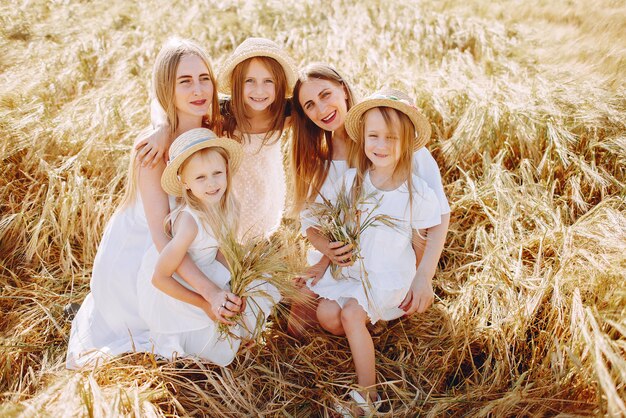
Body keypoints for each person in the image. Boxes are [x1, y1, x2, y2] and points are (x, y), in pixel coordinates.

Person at [66, 38, 237, 369]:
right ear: (166, 90)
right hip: (146, 253)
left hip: (190, 242)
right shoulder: (152, 150)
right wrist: (209, 293)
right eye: (184, 82)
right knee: (178, 338)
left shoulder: (213, 128)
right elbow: (163, 241)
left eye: (204, 79)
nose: (198, 89)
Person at [287, 65, 451, 335]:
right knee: (299, 325)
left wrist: (424, 276)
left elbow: (440, 214)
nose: (321, 108)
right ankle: (360, 315)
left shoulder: (388, 139)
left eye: (326, 94)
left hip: (389, 257)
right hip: (345, 260)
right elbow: (313, 222)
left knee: (340, 315)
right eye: (310, 105)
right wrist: (324, 255)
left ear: (343, 88)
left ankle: (383, 310)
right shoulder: (320, 161)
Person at [307, 90, 442, 414]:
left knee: (351, 314)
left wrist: (420, 282)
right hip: (355, 273)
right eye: (374, 137)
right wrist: (323, 264)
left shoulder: (415, 192)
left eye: (390, 138)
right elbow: (331, 227)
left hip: (389, 276)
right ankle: (372, 321)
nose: (380, 145)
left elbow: (422, 240)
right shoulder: (353, 182)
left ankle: (368, 397)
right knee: (328, 316)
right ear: (363, 138)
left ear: (407, 142)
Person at [136, 128, 279, 365]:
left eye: (217, 173)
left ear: (226, 171)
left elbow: (223, 250)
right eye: (200, 177)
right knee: (211, 345)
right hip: (181, 287)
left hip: (210, 270)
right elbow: (159, 278)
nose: (212, 184)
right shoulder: (190, 223)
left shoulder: (229, 205)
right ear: (185, 183)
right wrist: (205, 303)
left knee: (253, 294)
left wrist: (234, 286)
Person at [140, 37, 297, 239]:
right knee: (232, 242)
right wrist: (162, 127)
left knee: (261, 241)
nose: (259, 90)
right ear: (237, 84)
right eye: (249, 81)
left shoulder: (286, 114)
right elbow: (159, 100)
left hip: (268, 191)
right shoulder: (224, 113)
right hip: (231, 197)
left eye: (269, 81)